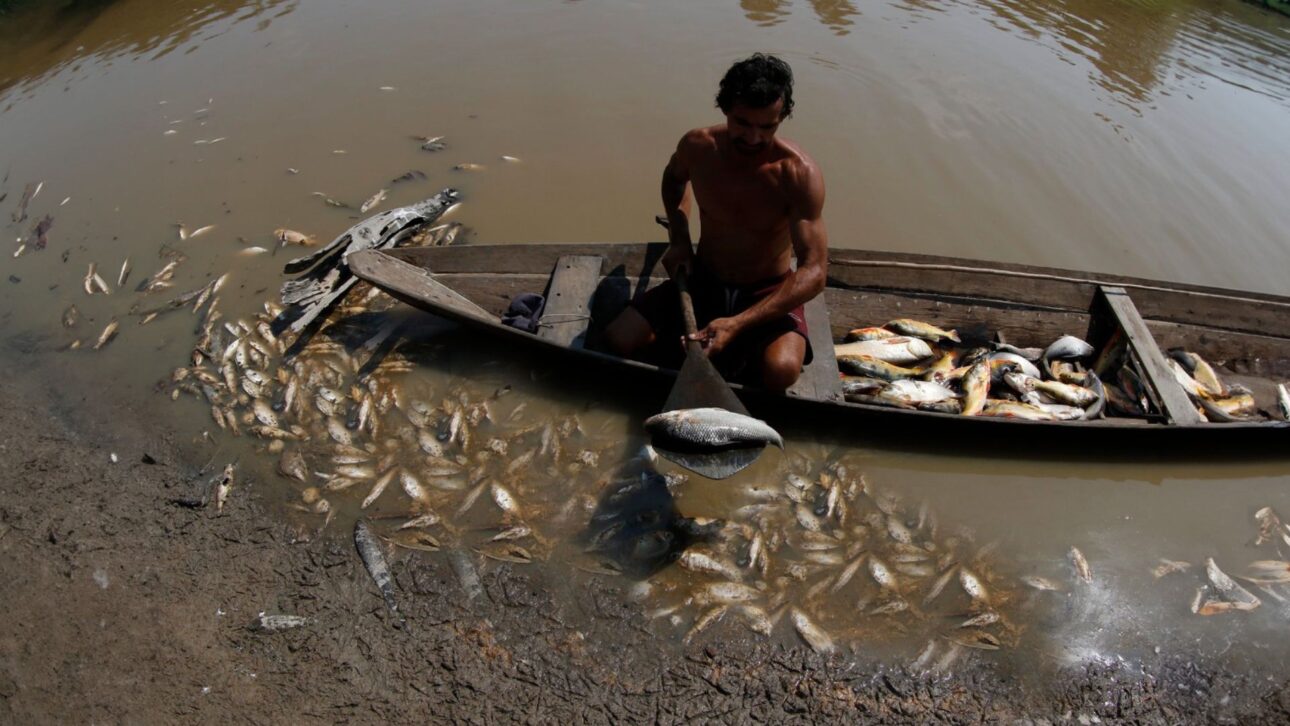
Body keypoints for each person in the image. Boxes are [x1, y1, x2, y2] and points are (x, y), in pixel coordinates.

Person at [604, 53, 829, 393]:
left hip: (765, 290)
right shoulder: (698, 147)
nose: (753, 138)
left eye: (767, 126)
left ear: (781, 117)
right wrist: (679, 239)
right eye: (743, 123)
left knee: (781, 371)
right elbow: (673, 178)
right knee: (618, 339)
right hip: (702, 277)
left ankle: (730, 353)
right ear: (725, 109)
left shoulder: (797, 173)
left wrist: (737, 323)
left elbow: (814, 272)